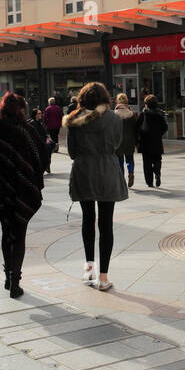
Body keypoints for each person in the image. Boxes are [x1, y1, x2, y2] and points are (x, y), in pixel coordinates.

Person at [0, 92, 44, 298]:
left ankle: (7, 276)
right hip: (20, 190)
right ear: (21, 110)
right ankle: (15, 282)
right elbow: (39, 157)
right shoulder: (26, 131)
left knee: (6, 233)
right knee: (18, 235)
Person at [65, 82, 127, 290]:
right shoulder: (114, 118)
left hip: (84, 172)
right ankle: (103, 278)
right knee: (106, 224)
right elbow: (116, 144)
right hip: (107, 171)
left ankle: (88, 270)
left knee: (88, 220)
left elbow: (72, 152)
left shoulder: (75, 120)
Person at [136, 95, 167, 188]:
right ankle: (157, 172)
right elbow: (165, 127)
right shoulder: (160, 114)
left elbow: (137, 127)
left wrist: (138, 138)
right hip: (157, 141)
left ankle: (149, 182)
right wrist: (159, 134)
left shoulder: (143, 114)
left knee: (147, 163)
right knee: (157, 159)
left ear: (146, 104)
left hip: (145, 141)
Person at [113, 93, 138, 187]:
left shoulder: (114, 115)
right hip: (129, 141)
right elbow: (135, 129)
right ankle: (131, 172)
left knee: (119, 161)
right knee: (130, 159)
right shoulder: (132, 114)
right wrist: (136, 142)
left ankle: (121, 178)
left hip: (118, 142)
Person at [28, 107, 53, 174]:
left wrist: (47, 138)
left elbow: (44, 132)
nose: (41, 115)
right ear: (35, 115)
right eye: (39, 113)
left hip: (42, 140)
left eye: (41, 113)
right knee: (48, 147)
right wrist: (45, 140)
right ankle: (46, 163)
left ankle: (47, 163)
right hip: (37, 142)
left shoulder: (39, 122)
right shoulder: (32, 123)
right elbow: (36, 135)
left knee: (52, 144)